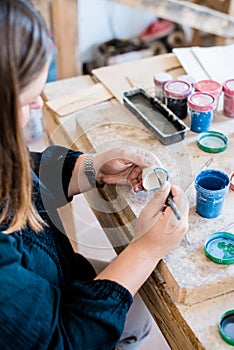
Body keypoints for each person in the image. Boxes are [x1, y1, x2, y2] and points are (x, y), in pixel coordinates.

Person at [0, 1, 189, 349]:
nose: (39, 104)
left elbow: (20, 171)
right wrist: (145, 250)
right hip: (66, 327)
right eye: (27, 101)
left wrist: (91, 168)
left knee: (140, 307)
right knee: (136, 307)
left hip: (58, 281)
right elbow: (66, 340)